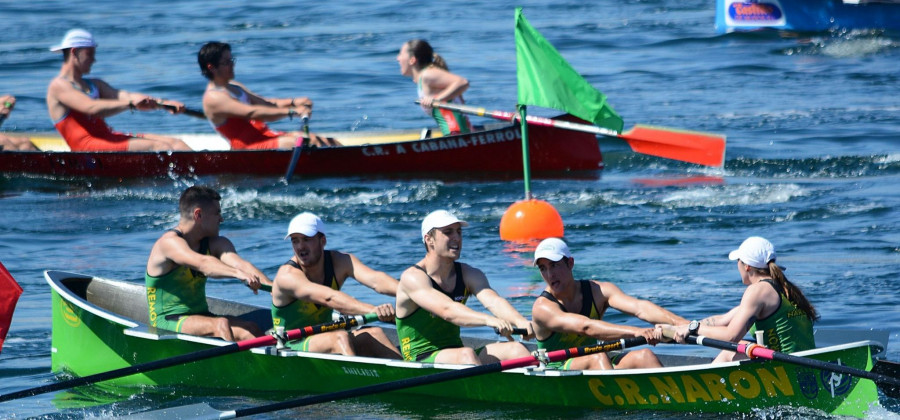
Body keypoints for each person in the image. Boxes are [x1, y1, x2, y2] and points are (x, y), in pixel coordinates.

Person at [395, 210, 533, 365]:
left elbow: (494, 301)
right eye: (448, 232)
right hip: (420, 359)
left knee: (516, 349)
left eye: (459, 232)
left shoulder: (469, 273)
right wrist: (489, 320)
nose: (457, 237)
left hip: (457, 354)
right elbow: (447, 311)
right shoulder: (413, 277)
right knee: (466, 355)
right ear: (429, 239)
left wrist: (520, 321)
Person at [531, 238, 687, 370]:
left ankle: (676, 401)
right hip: (558, 367)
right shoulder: (542, 308)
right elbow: (586, 327)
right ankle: (616, 406)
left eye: (554, 265)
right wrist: (637, 332)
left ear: (570, 263)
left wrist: (682, 324)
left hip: (596, 362)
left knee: (645, 356)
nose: (550, 275)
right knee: (597, 357)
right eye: (543, 268)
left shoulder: (598, 291)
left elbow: (640, 308)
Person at [145, 185, 272, 341]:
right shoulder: (169, 243)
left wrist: (274, 289)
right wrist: (238, 274)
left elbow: (241, 264)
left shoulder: (216, 244)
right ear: (198, 214)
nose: (221, 219)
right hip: (167, 320)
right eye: (217, 213)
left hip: (201, 316)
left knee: (251, 329)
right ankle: (229, 364)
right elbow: (203, 264)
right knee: (221, 325)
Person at [667, 237, 818, 363]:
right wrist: (678, 329)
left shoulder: (757, 291)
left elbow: (730, 336)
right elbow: (723, 320)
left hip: (785, 366)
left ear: (746, 266)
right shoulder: (784, 286)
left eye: (738, 261)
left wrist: (693, 329)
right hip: (805, 361)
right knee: (745, 346)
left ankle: (701, 393)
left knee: (729, 351)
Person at [272, 212, 401, 359]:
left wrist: (411, 293)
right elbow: (330, 298)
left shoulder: (340, 261)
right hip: (292, 343)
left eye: (306, 239)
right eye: (295, 241)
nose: (300, 247)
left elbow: (376, 280)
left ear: (323, 241)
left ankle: (410, 377)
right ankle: (356, 379)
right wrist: (374, 311)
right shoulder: (286, 276)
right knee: (340, 337)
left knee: (375, 333)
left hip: (327, 335)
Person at [46, 29, 192, 152]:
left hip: (108, 137)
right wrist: (130, 104)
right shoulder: (58, 86)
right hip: (86, 147)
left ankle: (207, 177)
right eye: (90, 54)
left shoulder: (94, 84)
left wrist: (163, 103)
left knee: (176, 144)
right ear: (74, 52)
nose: (94, 60)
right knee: (159, 147)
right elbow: (91, 108)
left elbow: (125, 95)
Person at [198, 42, 340, 150]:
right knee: (305, 141)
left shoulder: (234, 87)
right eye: (226, 62)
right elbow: (254, 112)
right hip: (248, 149)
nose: (232, 65)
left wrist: (294, 102)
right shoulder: (213, 98)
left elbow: (265, 104)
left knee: (328, 141)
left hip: (266, 137)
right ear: (212, 67)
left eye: (231, 60)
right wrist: (292, 112)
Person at [397, 39, 473, 136]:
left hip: (457, 136)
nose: (398, 58)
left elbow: (463, 82)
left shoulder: (427, 74)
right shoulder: (423, 78)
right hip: (458, 135)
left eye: (401, 54)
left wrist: (437, 99)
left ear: (412, 60)